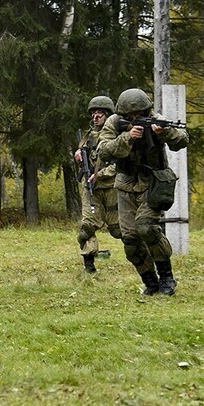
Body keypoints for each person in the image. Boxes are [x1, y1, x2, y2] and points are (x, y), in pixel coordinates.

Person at [97, 88, 188, 295]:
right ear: (123, 114)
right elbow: (103, 151)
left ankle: (167, 279)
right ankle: (150, 282)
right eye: (131, 116)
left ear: (147, 110)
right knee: (129, 239)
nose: (136, 118)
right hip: (126, 184)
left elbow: (182, 140)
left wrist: (164, 132)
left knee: (146, 228)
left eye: (140, 114)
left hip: (152, 184)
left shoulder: (157, 119)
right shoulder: (113, 122)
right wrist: (128, 137)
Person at [74, 96, 121, 274]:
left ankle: (144, 257)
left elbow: (120, 165)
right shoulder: (88, 135)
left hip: (111, 187)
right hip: (91, 188)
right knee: (87, 227)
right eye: (93, 113)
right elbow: (86, 155)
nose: (96, 117)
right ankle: (89, 267)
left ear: (108, 115)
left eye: (100, 114)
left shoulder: (116, 137)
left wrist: (99, 174)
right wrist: (79, 153)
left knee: (118, 230)